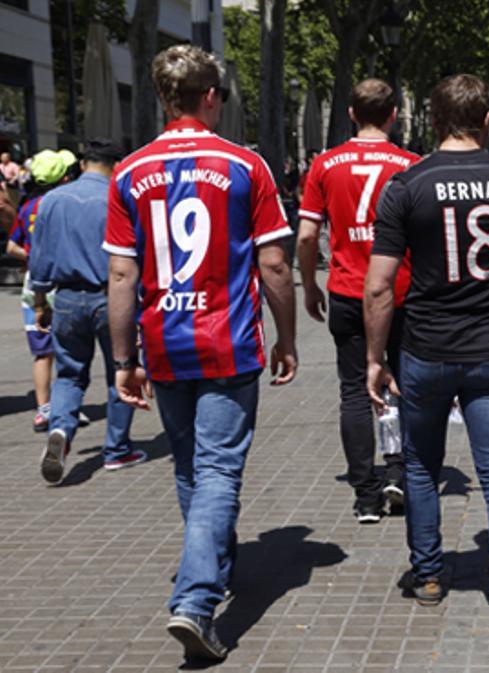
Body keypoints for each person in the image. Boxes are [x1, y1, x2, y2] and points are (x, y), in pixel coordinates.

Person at [105, 44, 297, 662]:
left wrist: (120, 359)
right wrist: (288, 335)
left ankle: (211, 564)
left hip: (163, 341)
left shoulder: (130, 171)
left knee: (190, 468)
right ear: (211, 96)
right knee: (218, 470)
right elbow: (273, 262)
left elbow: (121, 277)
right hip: (228, 338)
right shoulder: (245, 165)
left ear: (163, 97)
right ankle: (195, 601)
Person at [364, 73, 489, 658]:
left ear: (433, 120)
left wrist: (374, 358)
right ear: (488, 119)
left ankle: (430, 575)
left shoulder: (407, 184)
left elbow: (378, 287)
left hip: (427, 349)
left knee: (420, 465)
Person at [297, 78, 420, 524]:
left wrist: (309, 282)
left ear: (351, 113)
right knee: (403, 384)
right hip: (402, 292)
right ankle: (400, 474)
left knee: (353, 390)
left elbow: (308, 233)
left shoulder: (325, 165)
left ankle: (365, 493)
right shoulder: (410, 164)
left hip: (348, 289)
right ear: (393, 114)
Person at [28, 139, 142, 482]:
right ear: (115, 165)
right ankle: (117, 449)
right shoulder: (119, 198)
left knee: (70, 374)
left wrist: (39, 303)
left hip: (65, 298)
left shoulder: (52, 200)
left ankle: (60, 431)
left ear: (81, 164)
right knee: (120, 370)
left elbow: (39, 259)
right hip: (111, 297)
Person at [7, 149, 77, 433]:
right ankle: (67, 409)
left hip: (32, 285)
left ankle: (43, 409)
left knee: (41, 353)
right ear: (64, 176)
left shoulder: (26, 207)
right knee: (69, 352)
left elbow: (11, 246)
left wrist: (33, 257)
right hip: (64, 285)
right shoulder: (66, 204)